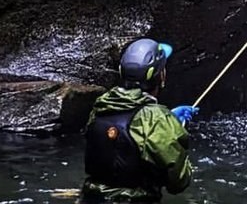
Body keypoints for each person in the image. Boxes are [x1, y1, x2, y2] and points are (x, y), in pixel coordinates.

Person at [81, 38, 197, 202]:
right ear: (161, 76)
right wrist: (173, 129)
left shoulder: (101, 106)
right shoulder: (156, 119)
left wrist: (168, 120)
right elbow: (179, 181)